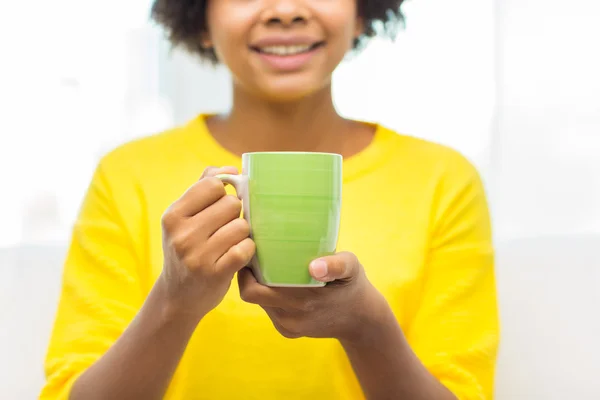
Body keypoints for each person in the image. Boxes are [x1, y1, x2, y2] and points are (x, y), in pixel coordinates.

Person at [40, 0, 499, 398]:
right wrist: (174, 301)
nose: (285, 10)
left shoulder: (443, 180)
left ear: (361, 12)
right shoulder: (127, 177)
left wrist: (368, 328)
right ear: (200, 17)